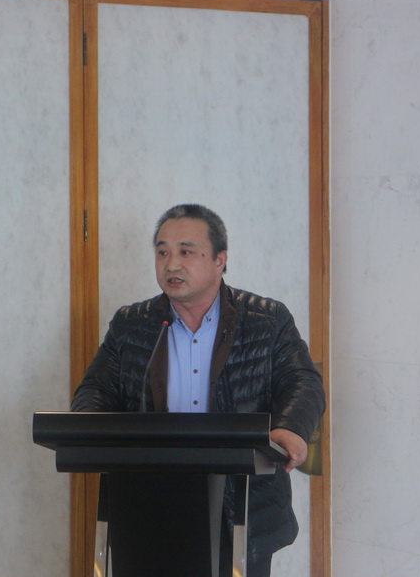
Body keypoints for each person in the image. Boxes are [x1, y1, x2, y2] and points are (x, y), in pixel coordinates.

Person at [71, 203, 325, 577]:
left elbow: (303, 381)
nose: (171, 264)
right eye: (162, 252)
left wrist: (291, 428)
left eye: (186, 252)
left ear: (220, 259)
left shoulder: (266, 320)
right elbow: (96, 388)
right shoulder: (132, 323)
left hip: (239, 501)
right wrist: (86, 430)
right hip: (148, 504)